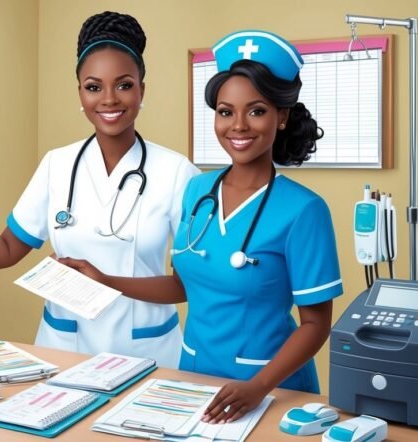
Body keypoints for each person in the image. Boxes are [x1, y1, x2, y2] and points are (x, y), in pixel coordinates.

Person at [59, 30, 342, 422]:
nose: (238, 125)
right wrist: (106, 280)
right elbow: (183, 285)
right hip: (193, 382)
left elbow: (315, 324)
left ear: (282, 117)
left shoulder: (304, 210)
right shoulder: (197, 190)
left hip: (272, 390)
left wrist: (259, 386)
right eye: (226, 112)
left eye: (256, 110)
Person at [0, 11, 199, 368]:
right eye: (93, 86)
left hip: (147, 354)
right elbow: (9, 247)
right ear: (80, 93)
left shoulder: (177, 173)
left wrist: (107, 282)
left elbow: (186, 286)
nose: (109, 99)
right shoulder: (58, 164)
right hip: (63, 348)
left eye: (123, 84)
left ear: (141, 90)